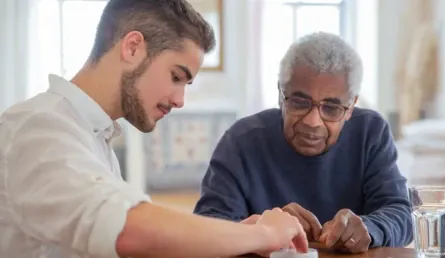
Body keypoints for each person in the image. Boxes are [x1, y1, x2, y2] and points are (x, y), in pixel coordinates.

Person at [0, 0, 308, 257]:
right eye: (176, 77)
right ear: (133, 47)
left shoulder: (92, 136)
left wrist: (234, 235)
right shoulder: (38, 126)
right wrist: (264, 235)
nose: (180, 100)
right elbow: (127, 228)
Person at [194, 32, 413, 254]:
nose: (312, 122)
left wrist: (369, 227)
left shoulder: (370, 133)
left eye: (332, 108)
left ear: (351, 106)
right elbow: (208, 228)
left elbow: (401, 214)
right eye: (299, 102)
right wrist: (265, 229)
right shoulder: (241, 141)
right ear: (281, 95)